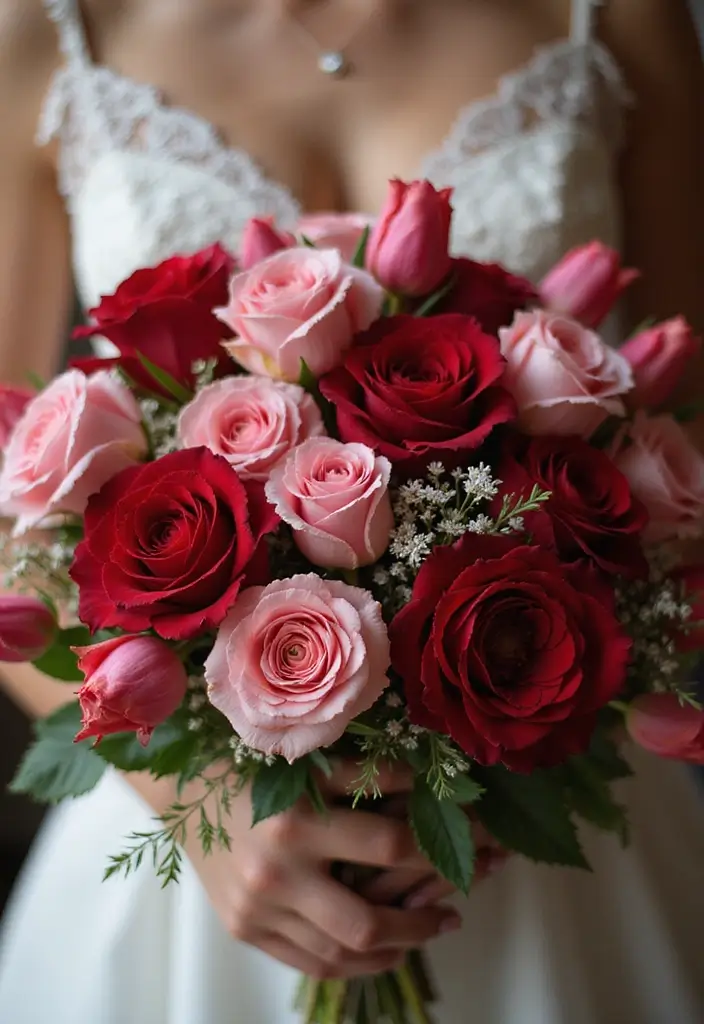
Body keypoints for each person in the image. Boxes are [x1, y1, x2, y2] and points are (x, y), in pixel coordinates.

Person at [0, 1, 703, 1021]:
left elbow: (684, 437)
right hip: (204, 857)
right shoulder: (47, 29)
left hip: (537, 790)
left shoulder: (619, 17)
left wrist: (537, 710)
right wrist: (200, 807)